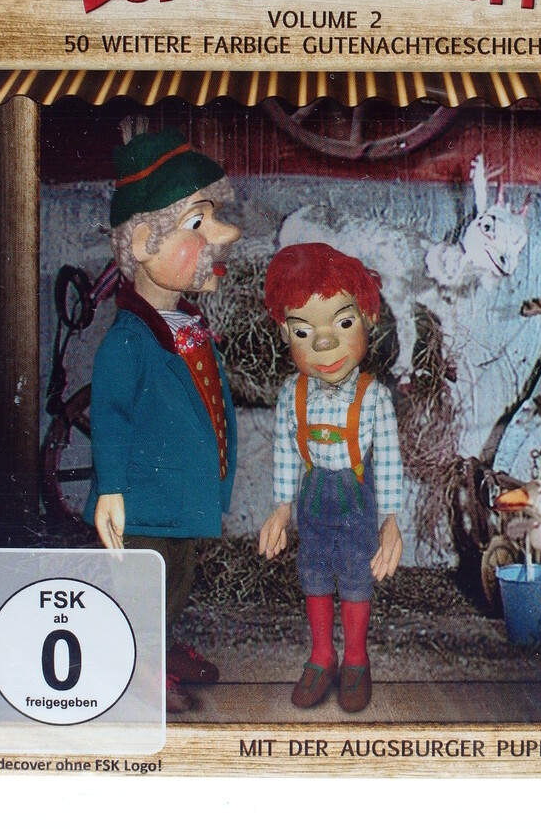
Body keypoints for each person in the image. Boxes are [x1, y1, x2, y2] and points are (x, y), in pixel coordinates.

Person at [84, 127, 241, 714]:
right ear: (144, 241)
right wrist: (111, 490)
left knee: (175, 582)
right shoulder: (129, 339)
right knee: (141, 589)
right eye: (198, 224)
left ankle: (160, 650)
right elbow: (110, 416)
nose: (223, 237)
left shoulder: (189, 327)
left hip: (181, 500)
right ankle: (137, 666)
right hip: (144, 504)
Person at [259, 243, 403, 713]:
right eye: (304, 331)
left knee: (358, 576)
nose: (324, 345)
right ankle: (322, 655)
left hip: (355, 496)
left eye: (342, 324)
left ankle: (356, 657)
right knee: (315, 572)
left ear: (367, 319)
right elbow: (285, 451)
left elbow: (389, 460)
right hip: (313, 495)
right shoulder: (292, 394)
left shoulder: (374, 396)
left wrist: (391, 520)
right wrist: (282, 508)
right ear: (285, 332)